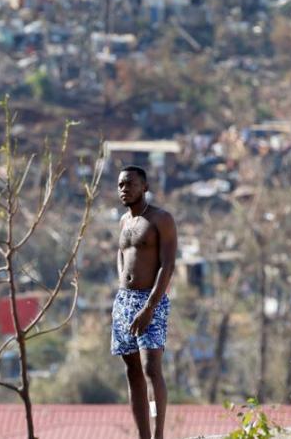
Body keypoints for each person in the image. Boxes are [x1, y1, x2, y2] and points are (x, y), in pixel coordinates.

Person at [112, 165, 177, 439]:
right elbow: (121, 254)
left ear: (144, 187)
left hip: (150, 301)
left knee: (151, 368)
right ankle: (143, 436)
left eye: (129, 184)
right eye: (120, 185)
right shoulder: (123, 222)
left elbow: (168, 264)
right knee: (132, 372)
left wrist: (149, 306)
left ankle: (159, 434)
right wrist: (121, 286)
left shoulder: (161, 219)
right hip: (124, 302)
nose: (124, 189)